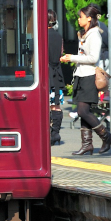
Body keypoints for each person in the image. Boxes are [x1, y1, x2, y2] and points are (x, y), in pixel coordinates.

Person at [60, 4, 111, 155]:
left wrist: (72, 57)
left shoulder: (94, 35)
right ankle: (87, 145)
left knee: (83, 111)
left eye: (81, 16)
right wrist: (72, 58)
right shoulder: (85, 34)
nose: (78, 19)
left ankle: (106, 136)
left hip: (89, 76)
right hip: (81, 75)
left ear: (89, 18)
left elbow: (93, 58)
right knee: (83, 111)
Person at [47, 10, 64, 145]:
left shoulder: (42, 36)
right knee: (56, 105)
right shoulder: (58, 36)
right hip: (57, 74)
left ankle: (47, 133)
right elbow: (61, 53)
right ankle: (55, 134)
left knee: (44, 106)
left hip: (46, 75)